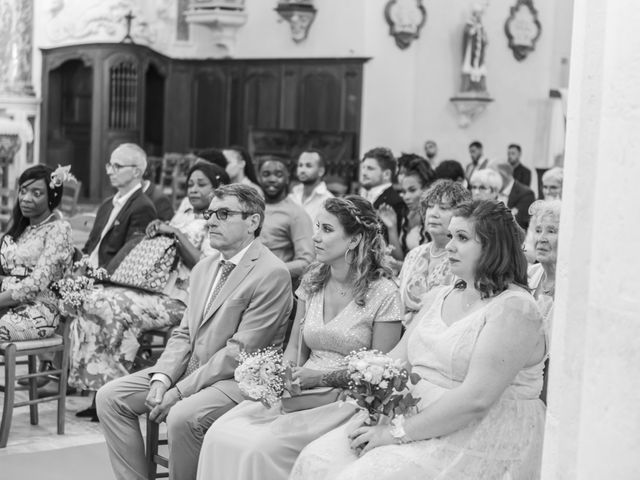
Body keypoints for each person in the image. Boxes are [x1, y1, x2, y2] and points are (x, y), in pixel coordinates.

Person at [292, 200, 547, 480]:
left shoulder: (514, 310)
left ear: (493, 246)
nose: (449, 246)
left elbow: (477, 399)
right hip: (409, 411)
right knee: (316, 459)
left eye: (462, 238)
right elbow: (396, 359)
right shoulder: (441, 295)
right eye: (450, 236)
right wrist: (365, 391)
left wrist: (397, 432)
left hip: (477, 430)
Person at [196, 196, 403, 480]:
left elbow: (380, 375)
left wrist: (318, 379)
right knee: (221, 433)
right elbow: (295, 345)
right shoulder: (313, 280)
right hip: (301, 391)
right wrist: (284, 376)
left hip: (349, 399)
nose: (315, 237)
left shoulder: (384, 292)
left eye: (326, 230)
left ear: (354, 240)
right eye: (317, 227)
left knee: (262, 448)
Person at [96, 184, 293, 480]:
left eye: (224, 214)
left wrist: (179, 392)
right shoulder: (205, 266)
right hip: (191, 370)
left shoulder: (271, 272)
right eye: (210, 213)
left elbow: (239, 353)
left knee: (182, 416)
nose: (211, 221)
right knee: (110, 397)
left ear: (253, 221)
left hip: (236, 380)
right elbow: (183, 334)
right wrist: (162, 379)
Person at [70, 163, 229, 421]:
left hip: (182, 299)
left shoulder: (219, 222)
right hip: (156, 289)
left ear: (218, 188)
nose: (194, 190)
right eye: (190, 185)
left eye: (202, 184)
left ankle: (116, 393)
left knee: (115, 305)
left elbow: (205, 267)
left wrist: (175, 233)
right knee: (95, 298)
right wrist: (159, 227)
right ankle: (99, 391)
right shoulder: (184, 214)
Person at [0, 165, 74, 341]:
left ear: (51, 196)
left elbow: (35, 284)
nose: (26, 198)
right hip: (7, 301)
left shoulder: (59, 229)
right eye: (23, 191)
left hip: (40, 309)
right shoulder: (21, 229)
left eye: (36, 193)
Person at [398, 180, 471, 326]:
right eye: (430, 207)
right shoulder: (414, 254)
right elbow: (398, 303)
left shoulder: (463, 256)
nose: (433, 214)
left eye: (443, 208)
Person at [83, 143, 157, 268]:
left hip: (106, 280)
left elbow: (129, 259)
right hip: (85, 272)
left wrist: (93, 277)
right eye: (109, 166)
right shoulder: (107, 204)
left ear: (136, 172)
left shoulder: (143, 207)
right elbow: (90, 245)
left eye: (117, 166)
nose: (109, 172)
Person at [258, 155, 315, 282]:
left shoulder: (296, 214)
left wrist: (270, 270)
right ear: (258, 178)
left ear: (287, 178)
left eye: (278, 174)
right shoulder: (251, 208)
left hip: (275, 285)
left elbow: (307, 262)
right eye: (266, 174)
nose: (272, 179)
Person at [527, 200, 560, 403]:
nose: (542, 238)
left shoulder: (575, 286)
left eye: (551, 231)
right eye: (538, 230)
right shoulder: (528, 276)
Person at [378, 155, 436, 261]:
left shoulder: (435, 218)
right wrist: (392, 227)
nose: (406, 197)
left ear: (427, 188)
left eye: (412, 190)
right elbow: (398, 258)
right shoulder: (408, 214)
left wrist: (402, 267)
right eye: (403, 192)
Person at [358, 147, 407, 236]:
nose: (364, 172)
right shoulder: (364, 196)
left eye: (370, 168)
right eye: (363, 167)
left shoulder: (394, 202)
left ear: (386, 174)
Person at [290, 149, 334, 222]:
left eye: (308, 166)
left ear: (321, 171)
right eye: (300, 165)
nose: (302, 170)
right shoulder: (292, 196)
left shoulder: (328, 201)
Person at [493, 162, 536, 230]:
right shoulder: (491, 191)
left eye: (494, 176)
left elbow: (519, 224)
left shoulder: (526, 194)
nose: (491, 180)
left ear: (505, 176)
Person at [460, 3, 488, 94]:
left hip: (479, 56)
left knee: (480, 70)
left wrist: (484, 38)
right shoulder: (470, 24)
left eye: (480, 14)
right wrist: (474, 28)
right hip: (470, 54)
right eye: (478, 14)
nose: (479, 16)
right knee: (469, 69)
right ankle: (467, 87)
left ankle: (480, 88)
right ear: (474, 14)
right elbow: (469, 33)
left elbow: (485, 40)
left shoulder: (481, 26)